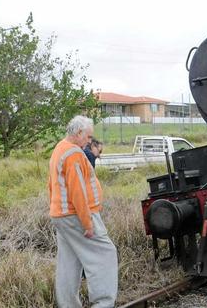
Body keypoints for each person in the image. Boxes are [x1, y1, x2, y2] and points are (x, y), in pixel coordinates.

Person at [47, 115, 118, 308]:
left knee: (69, 262)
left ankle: (68, 305)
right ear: (78, 133)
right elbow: (77, 191)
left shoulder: (59, 148)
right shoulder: (74, 154)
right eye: (88, 137)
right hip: (76, 215)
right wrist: (87, 223)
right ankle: (103, 304)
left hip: (60, 215)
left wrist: (55, 209)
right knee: (105, 254)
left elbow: (52, 185)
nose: (89, 142)